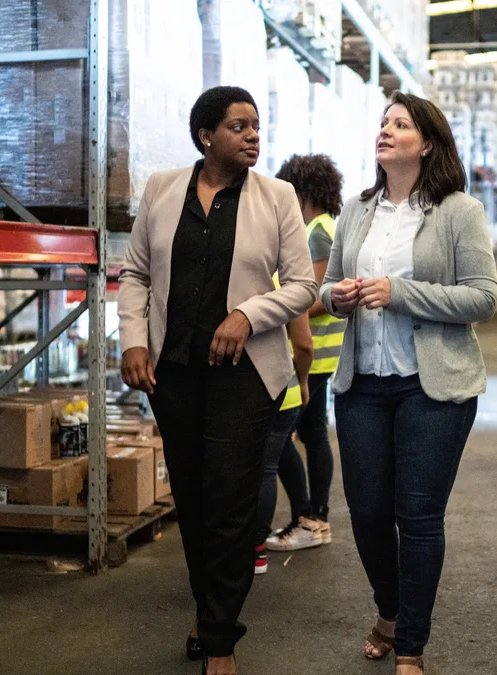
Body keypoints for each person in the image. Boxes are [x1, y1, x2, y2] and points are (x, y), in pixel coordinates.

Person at [116, 85, 317, 675]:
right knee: (196, 500)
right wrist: (132, 339)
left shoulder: (277, 197)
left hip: (245, 376)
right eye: (239, 126)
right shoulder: (161, 189)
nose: (254, 135)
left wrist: (247, 315)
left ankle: (220, 641)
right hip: (174, 371)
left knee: (229, 503)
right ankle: (209, 612)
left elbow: (303, 286)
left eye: (257, 125)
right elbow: (135, 273)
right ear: (206, 136)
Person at [321, 92, 497, 675]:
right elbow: (326, 289)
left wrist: (403, 294)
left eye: (400, 124)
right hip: (363, 384)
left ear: (426, 143)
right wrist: (338, 298)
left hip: (433, 386)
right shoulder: (356, 210)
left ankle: (412, 646)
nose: (386, 130)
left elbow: (483, 297)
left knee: (417, 515)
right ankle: (390, 613)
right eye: (382, 123)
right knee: (368, 512)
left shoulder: (458, 211)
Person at [263, 153, 345, 551]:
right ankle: (312, 518)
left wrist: (276, 308)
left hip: (312, 352)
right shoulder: (323, 227)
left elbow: (309, 296)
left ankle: (310, 518)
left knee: (290, 437)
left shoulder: (317, 231)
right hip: (314, 350)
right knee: (309, 433)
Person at [254, 289, 313, 574]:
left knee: (264, 467)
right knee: (280, 453)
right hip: (286, 392)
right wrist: (302, 381)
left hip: (254, 394)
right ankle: (305, 514)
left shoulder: (243, 270)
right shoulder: (289, 281)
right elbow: (304, 345)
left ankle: (255, 551)